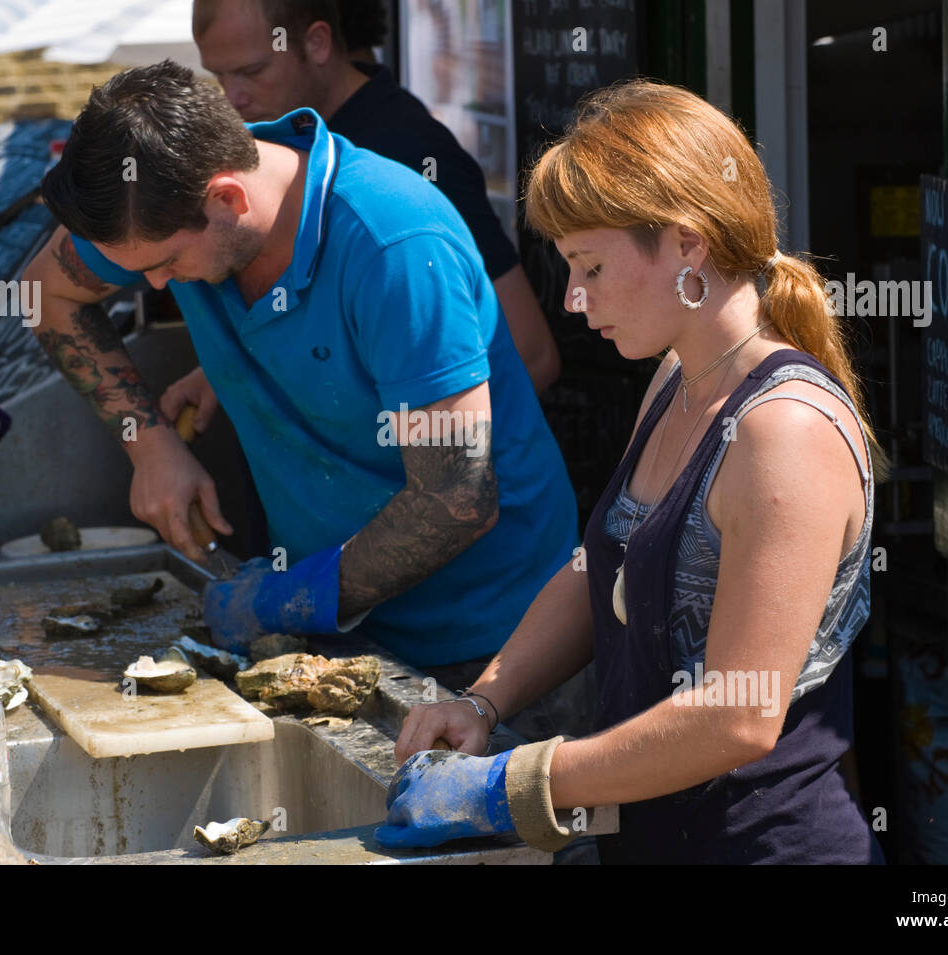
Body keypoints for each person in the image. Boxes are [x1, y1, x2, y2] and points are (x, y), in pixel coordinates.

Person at [376, 79, 890, 864]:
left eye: (590, 266)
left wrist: (515, 780)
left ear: (689, 244)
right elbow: (598, 569)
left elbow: (737, 715)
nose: (575, 301)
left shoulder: (783, 430)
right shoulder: (676, 377)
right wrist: (484, 699)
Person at [22, 61, 576, 679]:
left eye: (168, 262)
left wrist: (278, 600)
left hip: (497, 643)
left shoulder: (395, 244)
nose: (152, 283)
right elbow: (44, 293)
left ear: (227, 198)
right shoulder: (155, 198)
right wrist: (150, 445)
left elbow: (455, 499)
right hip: (331, 622)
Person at [186, 0, 560, 394]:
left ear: (317, 43)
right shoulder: (282, 138)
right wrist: (227, 373)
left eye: (252, 71)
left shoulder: (409, 150)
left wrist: (412, 440)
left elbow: (530, 352)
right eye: (217, 76)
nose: (233, 98)